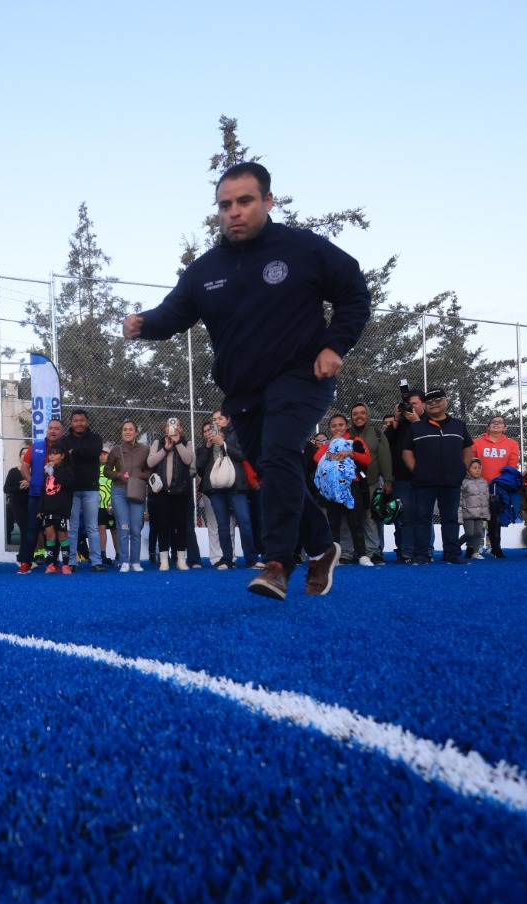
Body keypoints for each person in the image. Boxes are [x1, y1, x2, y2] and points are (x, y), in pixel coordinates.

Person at [124, 161, 370, 599]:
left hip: (301, 375)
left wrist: (335, 345)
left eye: (244, 201)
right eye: (224, 205)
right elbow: (175, 313)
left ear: (267, 201)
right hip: (243, 391)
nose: (233, 212)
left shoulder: (303, 249)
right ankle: (320, 546)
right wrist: (144, 322)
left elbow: (354, 291)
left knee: (278, 454)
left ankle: (277, 562)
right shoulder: (206, 269)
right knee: (280, 466)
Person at [401, 388, 473, 564]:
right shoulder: (416, 427)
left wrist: (462, 469)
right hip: (424, 482)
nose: (433, 403)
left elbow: (468, 449)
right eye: (429, 401)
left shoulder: (459, 425)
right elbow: (406, 452)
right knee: (422, 519)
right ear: (424, 406)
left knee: (450, 519)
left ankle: (452, 554)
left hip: (451, 481)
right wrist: (416, 471)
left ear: (446, 402)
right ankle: (421, 555)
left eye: (437, 399)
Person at [199, 418, 257, 569]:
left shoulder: (237, 435)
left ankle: (251, 559)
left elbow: (241, 455)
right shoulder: (206, 444)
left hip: (236, 485)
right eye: (215, 419)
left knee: (244, 521)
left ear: (227, 420)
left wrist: (222, 443)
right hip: (215, 488)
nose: (217, 422)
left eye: (220, 418)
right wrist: (208, 445)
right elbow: (200, 467)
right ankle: (226, 559)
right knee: (222, 524)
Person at [321, 413, 372, 565]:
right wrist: (332, 450)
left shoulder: (355, 440)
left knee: (355, 521)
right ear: (329, 428)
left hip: (351, 486)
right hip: (332, 488)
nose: (338, 428)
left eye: (341, 425)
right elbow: (318, 459)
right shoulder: (328, 443)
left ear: (346, 425)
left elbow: (367, 459)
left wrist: (350, 453)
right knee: (334, 523)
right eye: (334, 426)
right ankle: (334, 557)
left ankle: (362, 555)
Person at [58, 410, 104, 574]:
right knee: (73, 527)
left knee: (92, 526)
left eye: (82, 420)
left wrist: (74, 453)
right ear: (71, 423)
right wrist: (83, 453)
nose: (79, 423)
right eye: (75, 420)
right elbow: (62, 460)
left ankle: (96, 561)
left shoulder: (96, 439)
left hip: (91, 488)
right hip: (71, 489)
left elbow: (94, 452)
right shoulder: (64, 440)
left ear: (87, 422)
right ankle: (71, 561)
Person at [146, 418, 195, 571]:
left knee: (180, 524)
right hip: (162, 492)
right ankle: (164, 560)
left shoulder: (187, 443)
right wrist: (166, 448)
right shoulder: (157, 443)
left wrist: (178, 442)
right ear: (165, 428)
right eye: (169, 426)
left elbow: (188, 460)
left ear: (180, 429)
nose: (173, 429)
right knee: (163, 524)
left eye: (176, 426)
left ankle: (181, 559)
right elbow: (150, 462)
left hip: (181, 491)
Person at [384, 391, 426, 564]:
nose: (411, 407)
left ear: (423, 404)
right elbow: (384, 443)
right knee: (405, 518)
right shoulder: (399, 424)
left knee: (423, 516)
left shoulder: (427, 423)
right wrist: (396, 419)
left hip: (423, 479)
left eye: (414, 404)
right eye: (408, 404)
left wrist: (415, 421)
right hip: (401, 478)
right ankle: (407, 553)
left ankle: (425, 552)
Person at [104, 419, 149, 572]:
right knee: (123, 527)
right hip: (119, 492)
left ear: (136, 433)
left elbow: (151, 471)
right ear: (122, 433)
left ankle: (136, 562)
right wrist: (118, 475)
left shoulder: (145, 450)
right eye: (125, 430)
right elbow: (107, 471)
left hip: (136, 491)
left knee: (136, 528)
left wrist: (140, 475)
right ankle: (124, 561)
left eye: (131, 429)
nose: (127, 432)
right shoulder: (115, 450)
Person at [349, 402, 391, 564]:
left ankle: (373, 552)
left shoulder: (377, 434)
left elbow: (385, 459)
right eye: (355, 414)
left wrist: (388, 481)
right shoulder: (345, 435)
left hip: (372, 482)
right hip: (350, 485)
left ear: (367, 414)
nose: (359, 416)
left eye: (362, 413)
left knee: (371, 518)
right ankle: (350, 553)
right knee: (350, 519)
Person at [37, 442, 72, 573]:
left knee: (63, 536)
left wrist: (54, 471)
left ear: (62, 456)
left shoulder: (67, 470)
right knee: (50, 537)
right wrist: (40, 509)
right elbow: (43, 491)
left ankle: (65, 565)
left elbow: (67, 483)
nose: (52, 456)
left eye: (55, 454)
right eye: (50, 454)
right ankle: (50, 564)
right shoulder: (47, 472)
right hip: (48, 510)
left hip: (61, 510)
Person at [5, 446, 36, 573]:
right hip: (17, 506)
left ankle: (27, 557)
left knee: (31, 531)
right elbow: (6, 489)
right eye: (22, 454)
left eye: (27, 454)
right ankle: (22, 558)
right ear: (20, 457)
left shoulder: (35, 473)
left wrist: (30, 483)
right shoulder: (13, 471)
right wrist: (20, 487)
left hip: (32, 505)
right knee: (25, 530)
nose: (24, 456)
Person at [460, 459, 491, 559]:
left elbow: (486, 498)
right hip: (468, 512)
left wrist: (487, 513)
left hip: (480, 513)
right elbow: (460, 498)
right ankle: (454, 546)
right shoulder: (463, 482)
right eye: (474, 468)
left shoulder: (483, 481)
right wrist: (462, 509)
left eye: (479, 468)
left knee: (478, 533)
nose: (477, 470)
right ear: (468, 469)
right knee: (469, 533)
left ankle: (476, 552)